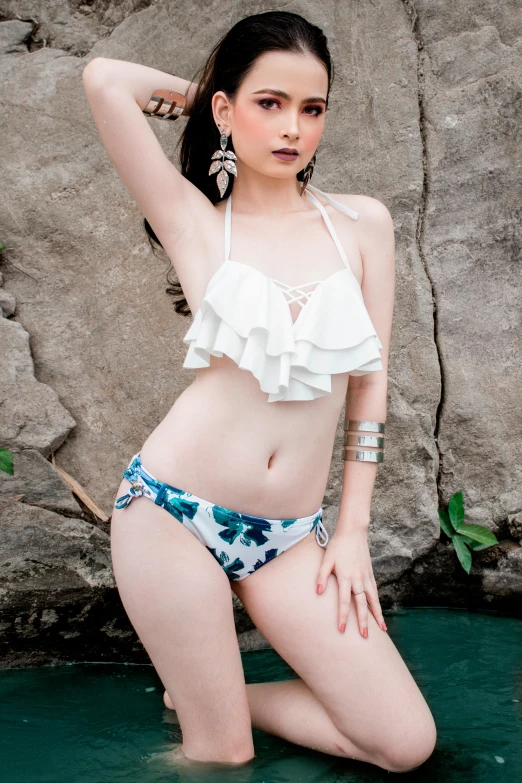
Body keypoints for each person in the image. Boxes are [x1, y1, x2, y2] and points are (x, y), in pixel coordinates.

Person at [82, 10, 436, 772]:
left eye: (311, 109)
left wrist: (351, 531)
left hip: (289, 539)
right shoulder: (194, 223)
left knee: (405, 743)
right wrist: (217, 94)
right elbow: (105, 79)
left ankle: (203, 692)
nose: (292, 128)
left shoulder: (362, 225)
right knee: (220, 759)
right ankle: (209, 710)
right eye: (269, 103)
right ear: (226, 108)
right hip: (173, 513)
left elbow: (369, 381)